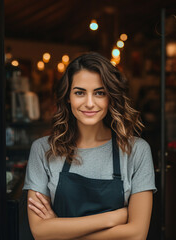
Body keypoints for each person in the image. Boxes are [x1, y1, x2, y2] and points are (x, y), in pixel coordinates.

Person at [23, 52, 157, 240]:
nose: (89, 103)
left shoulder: (136, 150)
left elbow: (136, 234)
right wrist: (113, 217)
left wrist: (59, 231)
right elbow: (40, 232)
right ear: (68, 97)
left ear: (110, 97)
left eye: (99, 93)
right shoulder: (43, 150)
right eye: (79, 92)